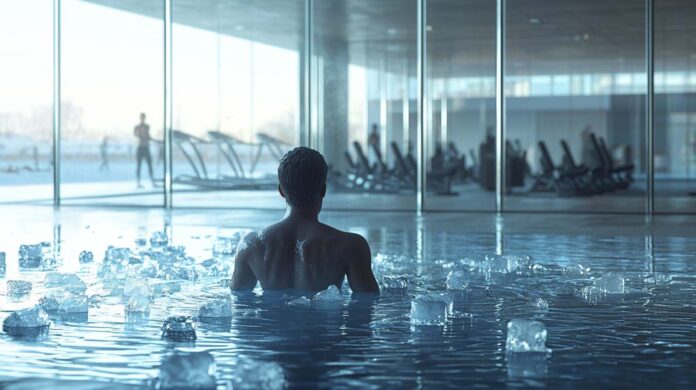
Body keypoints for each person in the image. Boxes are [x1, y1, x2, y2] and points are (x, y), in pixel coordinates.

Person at [231, 147, 380, 293]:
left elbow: (239, 304)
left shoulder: (250, 245)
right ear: (323, 190)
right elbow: (368, 305)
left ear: (281, 191)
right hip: (325, 318)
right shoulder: (350, 246)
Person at [133, 113, 154, 188]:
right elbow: (135, 134)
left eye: (143, 117)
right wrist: (141, 135)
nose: (143, 118)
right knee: (139, 166)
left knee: (150, 165)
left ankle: (152, 181)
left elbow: (148, 136)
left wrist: (148, 138)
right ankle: (138, 182)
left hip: (146, 148)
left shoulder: (147, 126)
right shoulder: (137, 127)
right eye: (142, 117)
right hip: (141, 148)